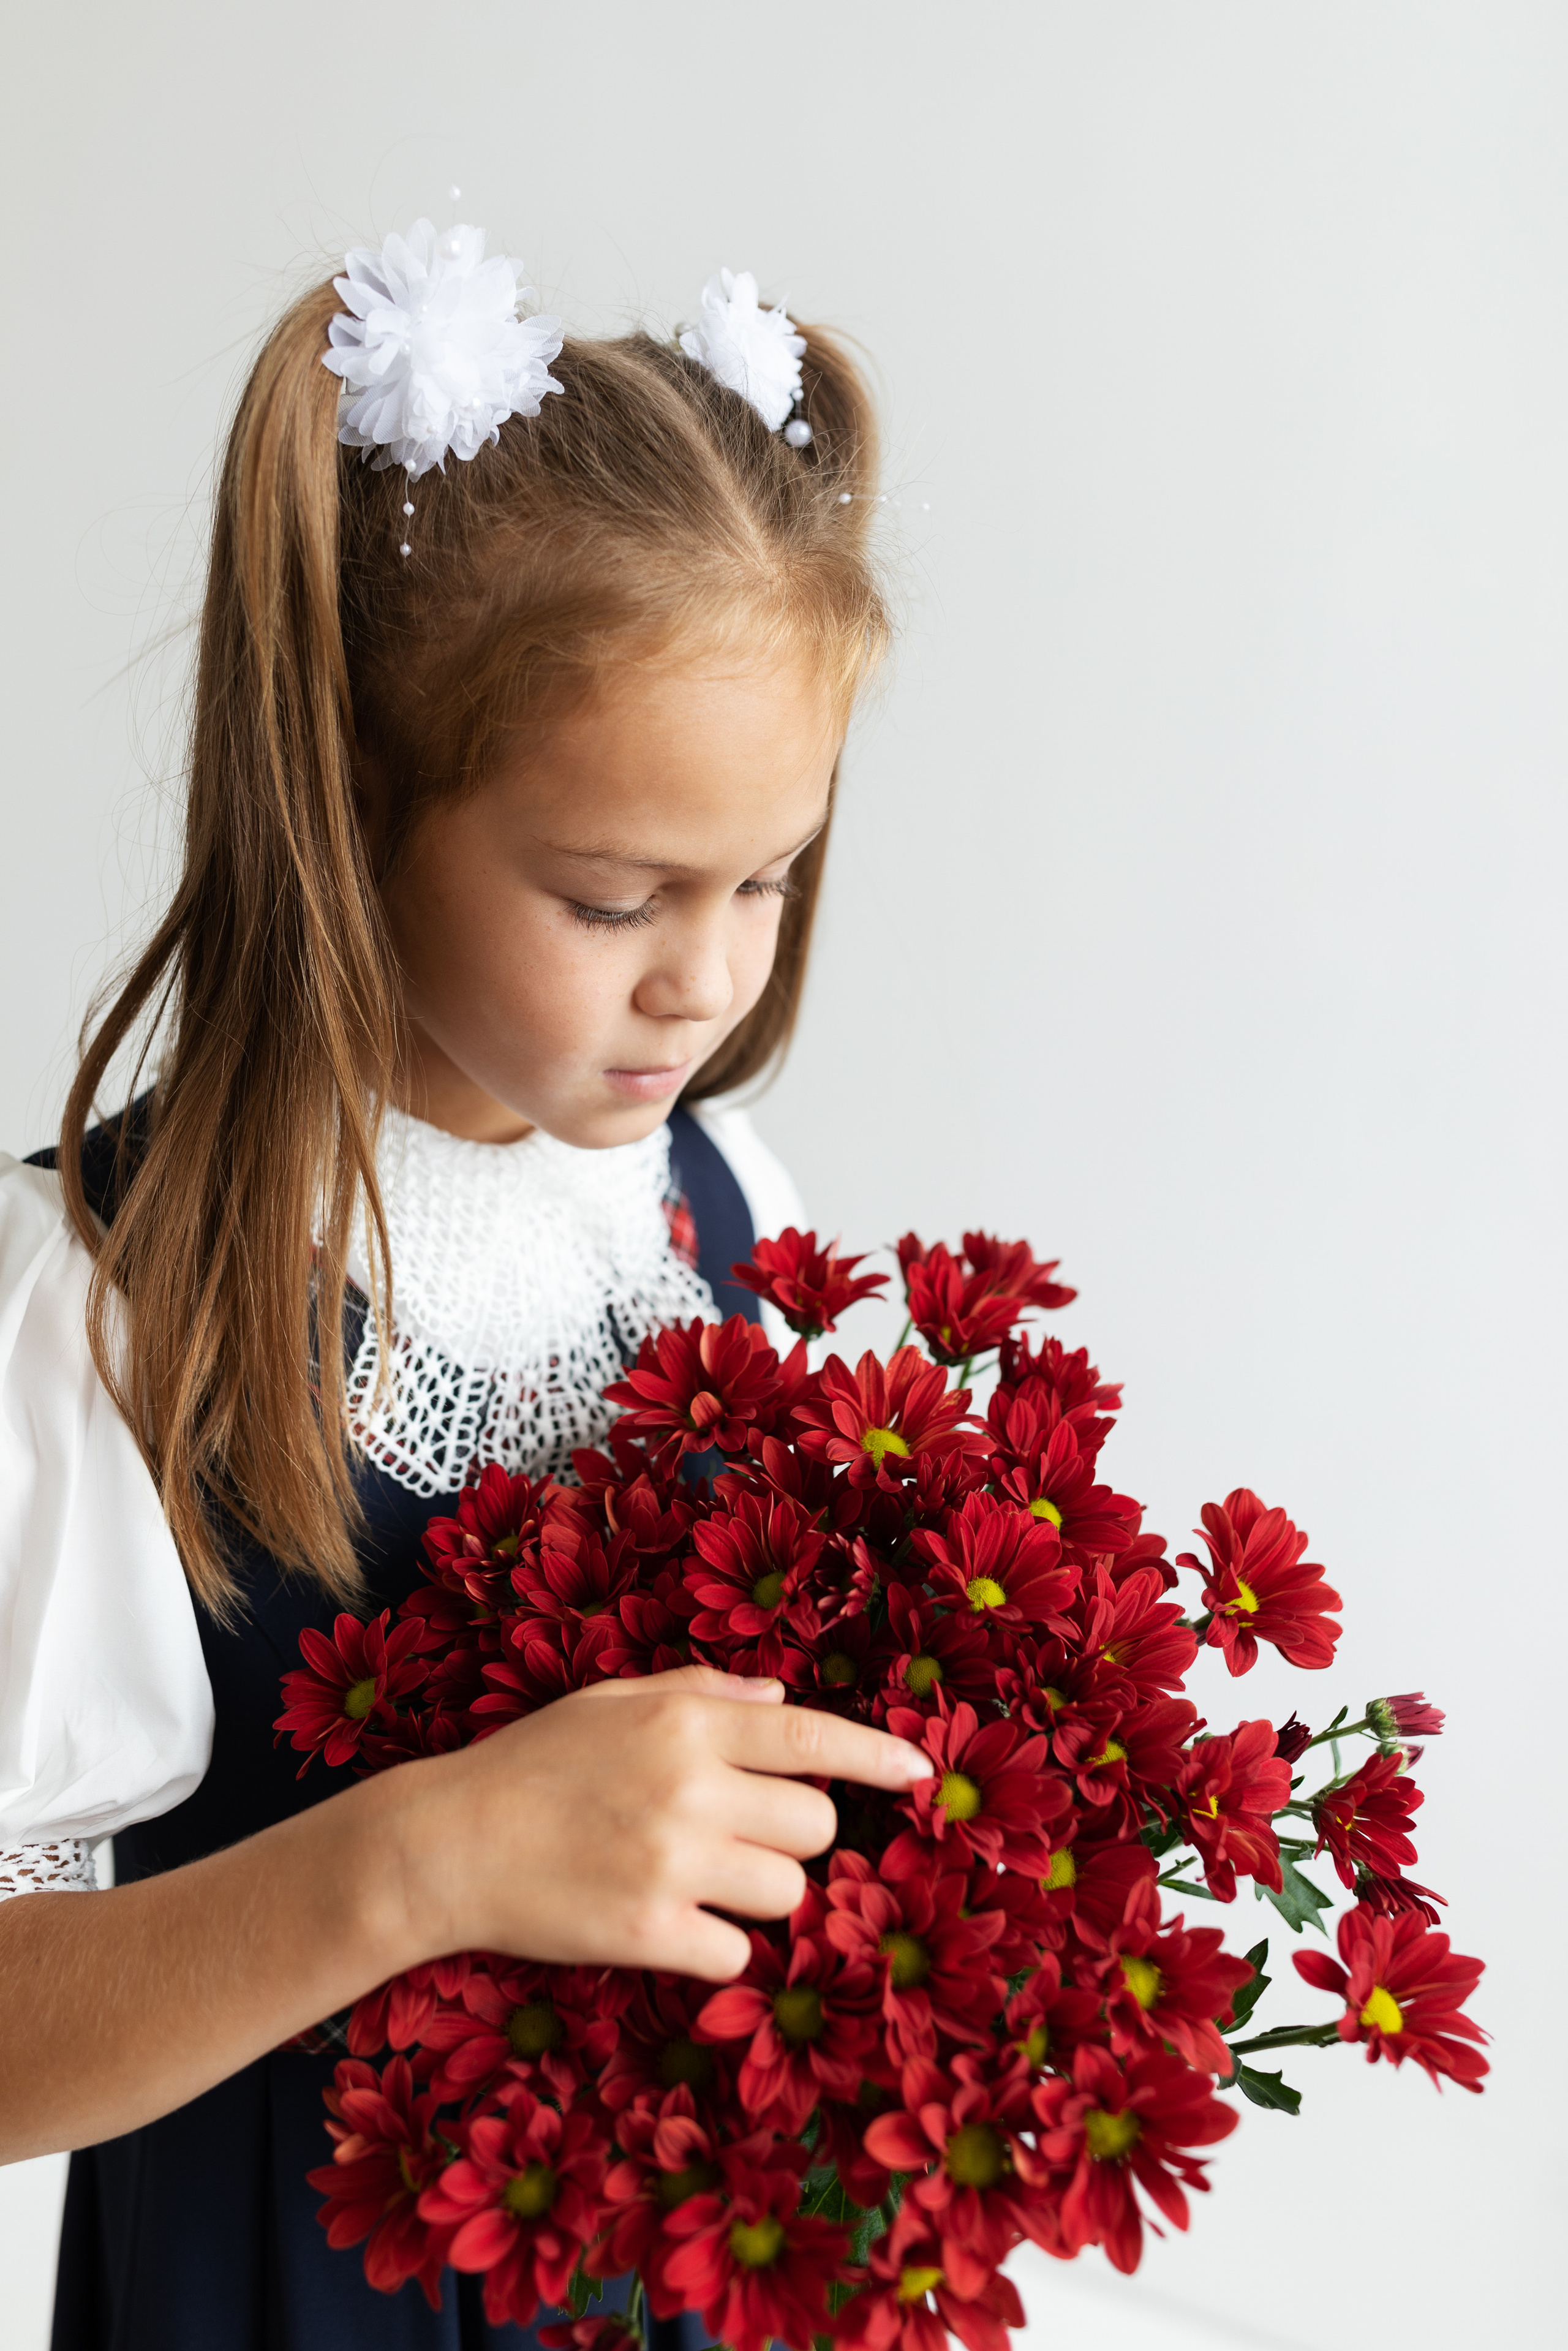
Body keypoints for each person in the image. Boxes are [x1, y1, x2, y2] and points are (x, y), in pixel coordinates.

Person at [0, 225, 930, 2350]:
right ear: (351, 806)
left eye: (768, 877)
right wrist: (416, 1862)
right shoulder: (108, 1307)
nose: (706, 976)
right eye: (615, 896)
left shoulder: (717, 1206)